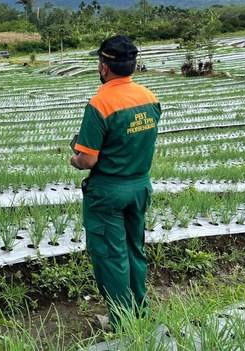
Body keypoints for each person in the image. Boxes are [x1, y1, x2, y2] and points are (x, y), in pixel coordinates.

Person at [70, 35, 161, 329]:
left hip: (108, 191)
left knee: (111, 255)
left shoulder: (100, 104)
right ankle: (139, 311)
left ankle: (121, 322)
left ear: (104, 67)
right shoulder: (150, 98)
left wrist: (75, 158)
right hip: (139, 186)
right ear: (132, 66)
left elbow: (88, 160)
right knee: (135, 249)